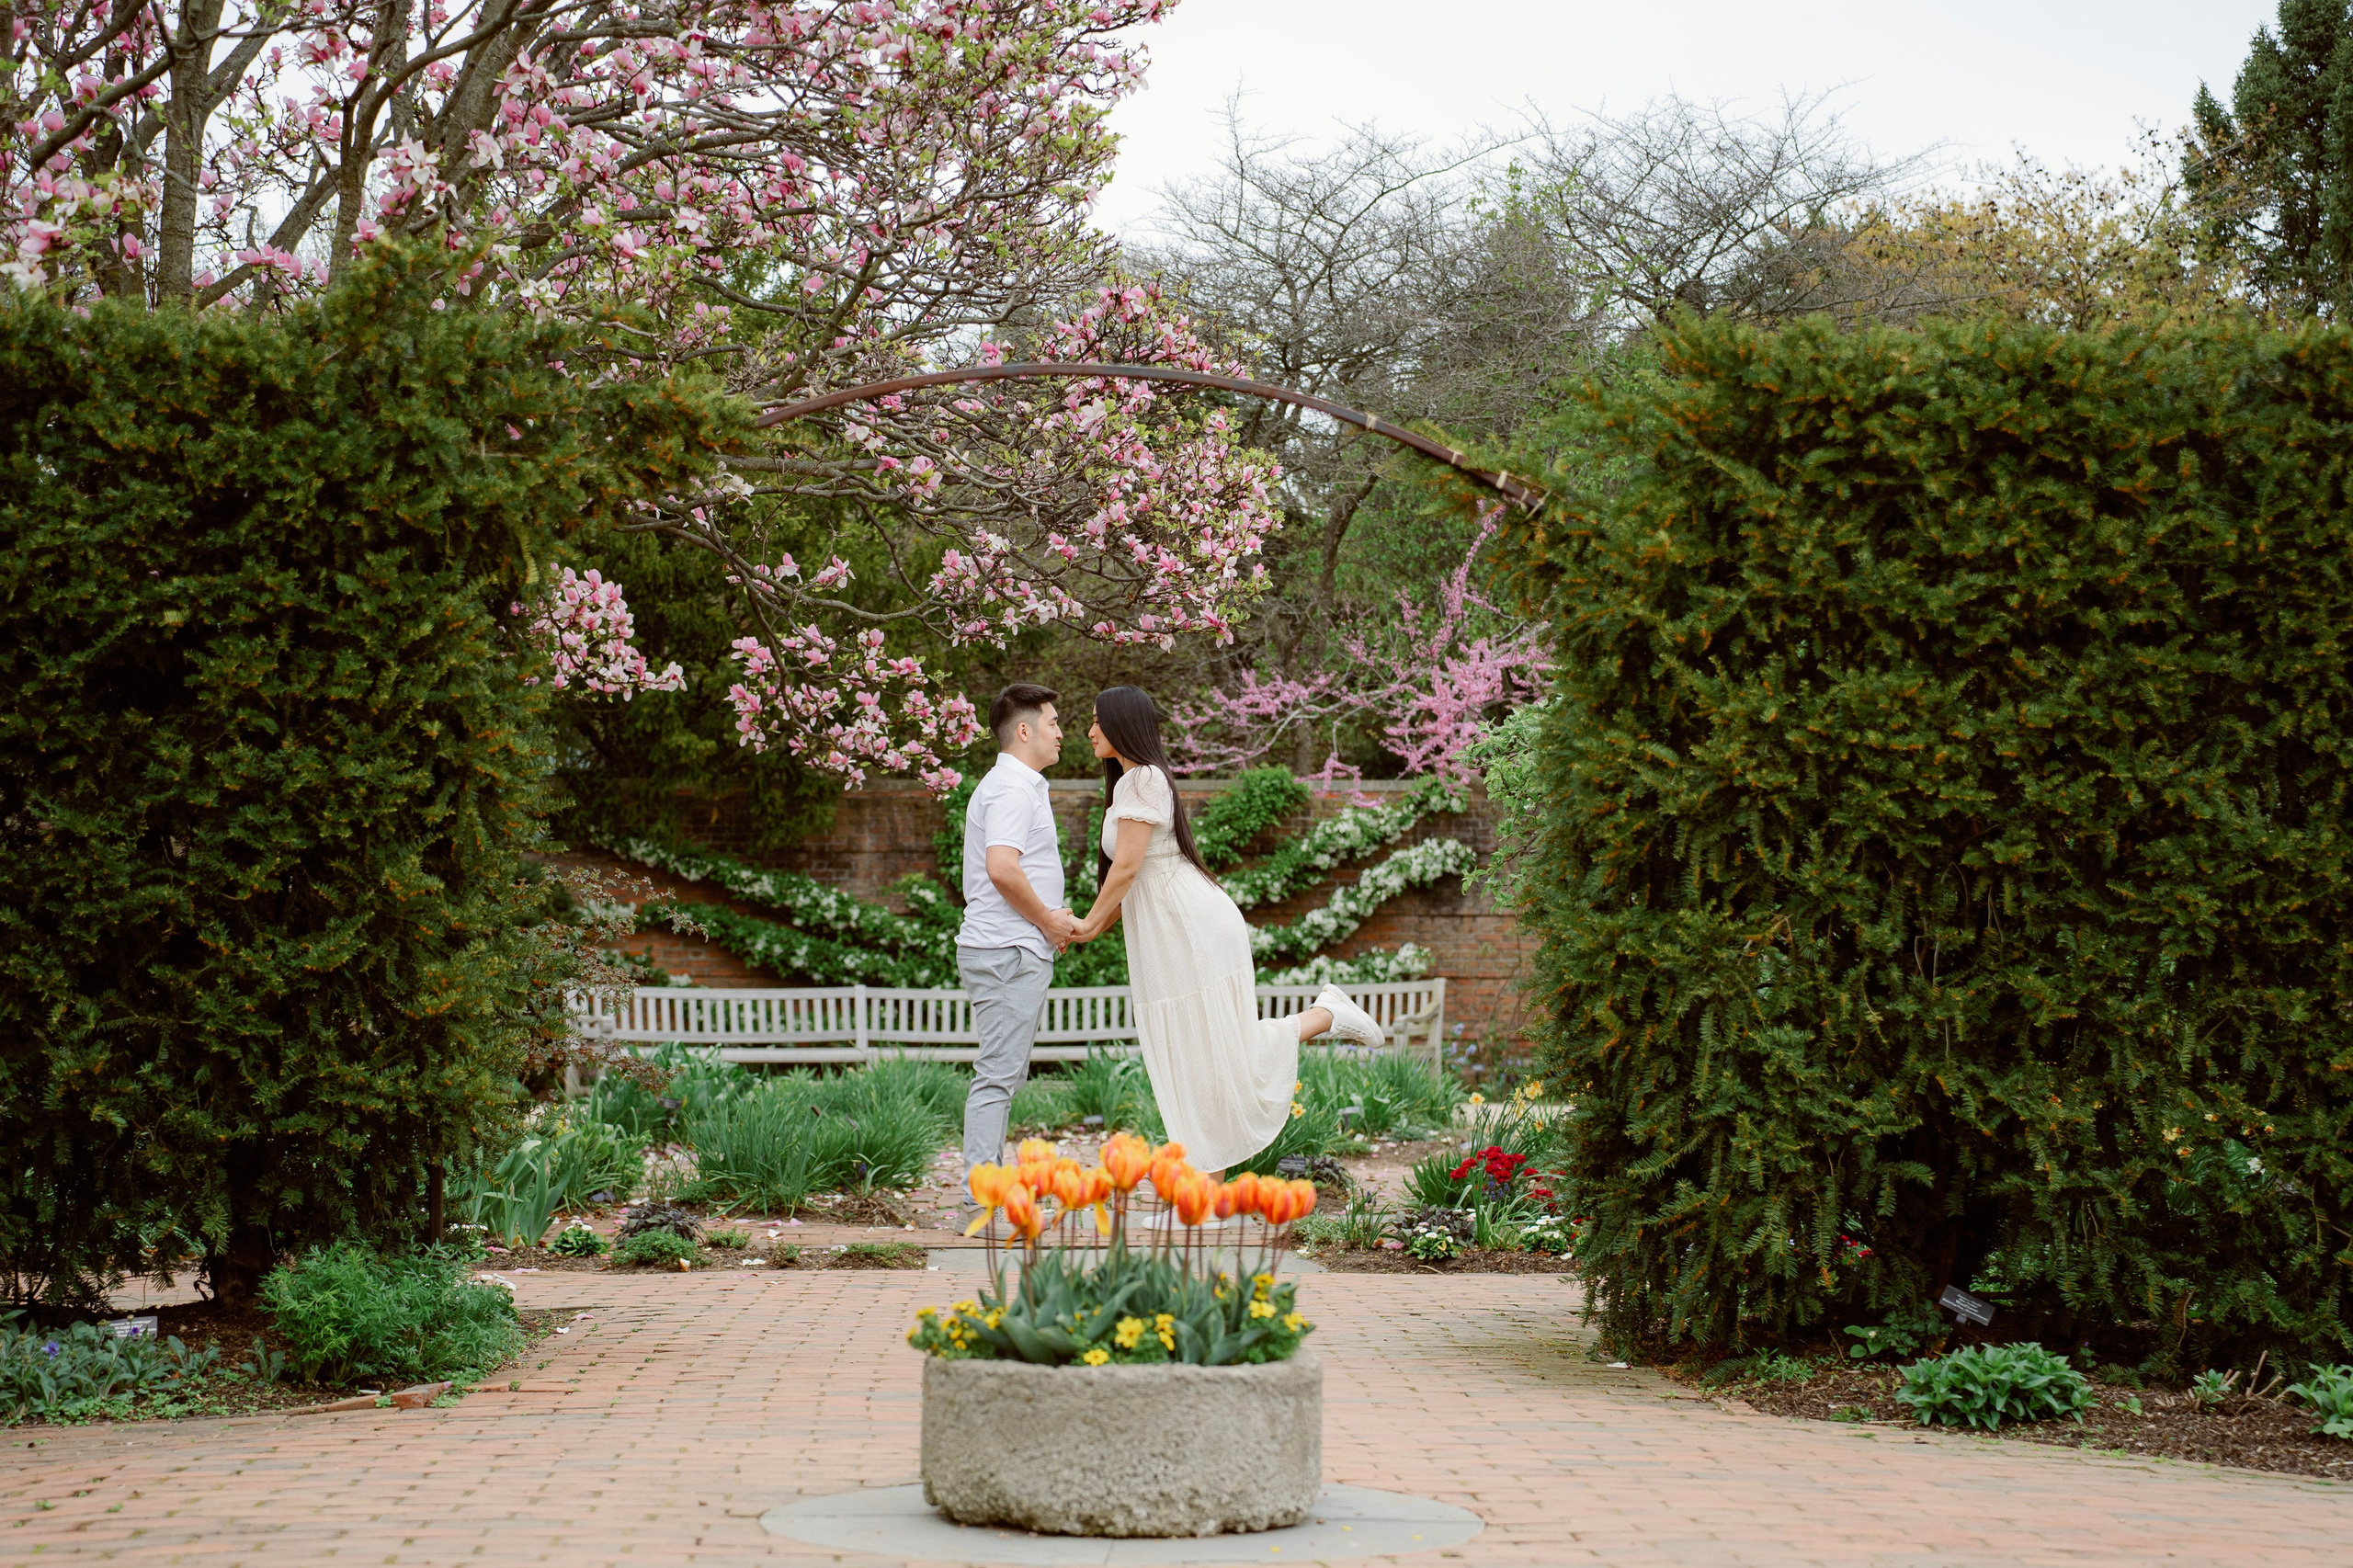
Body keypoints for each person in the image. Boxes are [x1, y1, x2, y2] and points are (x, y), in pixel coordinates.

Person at [1069, 686, 1386, 1173]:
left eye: (1096, 720)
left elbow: (1128, 868)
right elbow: (1130, 883)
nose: (1089, 731)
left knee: (1210, 1051)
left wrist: (1088, 925)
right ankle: (1207, 1187)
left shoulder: (1144, 779)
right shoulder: (1126, 786)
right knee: (1202, 1059)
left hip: (1191, 930)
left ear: (1122, 724)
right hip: (1168, 932)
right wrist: (1089, 928)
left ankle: (1326, 1016)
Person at [955, 683, 1081, 1191]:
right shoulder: (1009, 787)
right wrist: (1049, 921)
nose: (1061, 732)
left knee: (1003, 1077)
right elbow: (1003, 869)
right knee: (997, 1079)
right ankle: (983, 1201)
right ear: (1024, 730)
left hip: (1012, 948)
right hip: (1007, 950)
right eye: (1053, 723)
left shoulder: (1019, 785)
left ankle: (988, 1194)